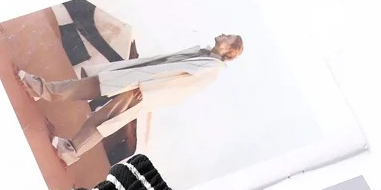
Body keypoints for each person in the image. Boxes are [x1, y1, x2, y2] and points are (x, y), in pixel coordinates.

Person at [16, 33, 244, 165]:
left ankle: (71, 150)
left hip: (141, 90)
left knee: (105, 119)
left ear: (229, 49)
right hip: (136, 77)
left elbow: (179, 88)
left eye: (228, 37)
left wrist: (147, 91)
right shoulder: (203, 54)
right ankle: (41, 90)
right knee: (91, 85)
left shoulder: (211, 69)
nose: (223, 34)